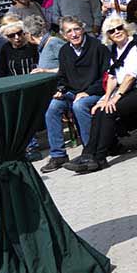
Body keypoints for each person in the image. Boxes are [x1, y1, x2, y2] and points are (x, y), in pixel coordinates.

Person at [71, 14, 137, 174]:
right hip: (130, 89)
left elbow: (131, 76)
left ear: (125, 28)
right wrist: (105, 98)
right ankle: (87, 154)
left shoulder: (136, 43)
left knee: (110, 110)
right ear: (108, 36)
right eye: (112, 31)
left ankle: (99, 158)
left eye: (119, 28)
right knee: (100, 109)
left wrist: (114, 99)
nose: (117, 32)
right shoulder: (115, 49)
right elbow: (113, 76)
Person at [41, 17, 104, 170]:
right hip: (73, 92)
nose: (74, 34)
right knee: (52, 107)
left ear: (82, 29)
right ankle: (58, 155)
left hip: (94, 92)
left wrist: (87, 92)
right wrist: (60, 90)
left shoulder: (96, 46)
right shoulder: (65, 51)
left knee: (79, 105)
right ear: (63, 35)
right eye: (69, 31)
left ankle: (90, 152)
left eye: (76, 29)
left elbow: (105, 77)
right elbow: (62, 77)